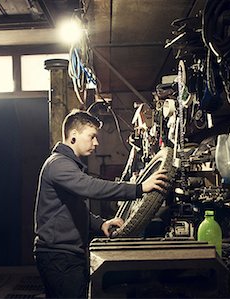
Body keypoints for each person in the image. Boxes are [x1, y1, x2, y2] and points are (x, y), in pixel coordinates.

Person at [33, 109, 169, 298]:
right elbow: (92, 188)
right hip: (59, 257)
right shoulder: (58, 164)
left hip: (65, 254)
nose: (96, 143)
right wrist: (138, 188)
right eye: (92, 137)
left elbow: (74, 209)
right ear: (73, 136)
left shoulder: (68, 165)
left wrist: (101, 224)